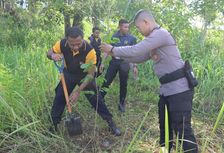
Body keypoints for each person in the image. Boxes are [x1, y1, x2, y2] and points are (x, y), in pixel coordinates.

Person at [100, 10, 198, 152]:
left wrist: (113, 49)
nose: (139, 32)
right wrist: (115, 54)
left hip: (180, 90)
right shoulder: (154, 39)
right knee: (165, 129)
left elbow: (136, 50)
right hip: (167, 91)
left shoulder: (160, 34)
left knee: (183, 130)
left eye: (139, 28)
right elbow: (139, 57)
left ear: (146, 22)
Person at [47, 26, 121, 136]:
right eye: (72, 44)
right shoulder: (61, 43)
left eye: (78, 43)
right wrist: (52, 55)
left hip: (85, 76)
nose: (76, 47)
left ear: (82, 39)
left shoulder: (90, 50)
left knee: (96, 100)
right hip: (68, 74)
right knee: (59, 96)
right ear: (67, 40)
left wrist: (78, 91)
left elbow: (91, 74)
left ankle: (111, 123)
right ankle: (53, 125)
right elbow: (49, 52)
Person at [100, 19, 138, 112]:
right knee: (107, 81)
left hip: (125, 62)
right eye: (125, 27)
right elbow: (107, 51)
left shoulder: (132, 39)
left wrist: (135, 66)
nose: (127, 29)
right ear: (120, 26)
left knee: (123, 84)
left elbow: (133, 54)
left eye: (128, 27)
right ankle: (99, 100)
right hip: (114, 62)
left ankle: (121, 104)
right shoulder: (113, 37)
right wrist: (102, 63)